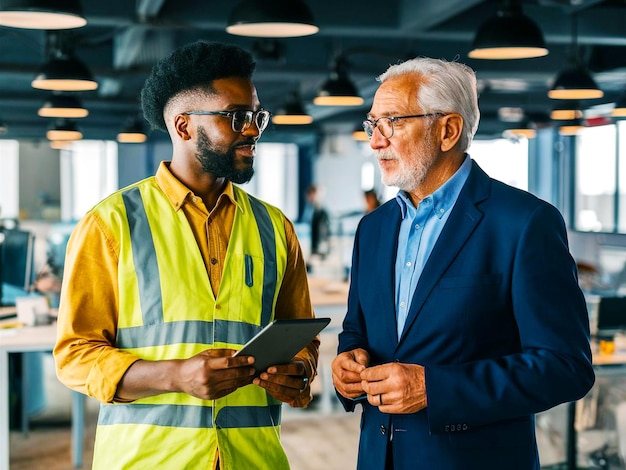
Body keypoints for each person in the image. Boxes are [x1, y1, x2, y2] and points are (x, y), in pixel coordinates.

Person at [53, 40, 319, 470]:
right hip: (149, 462)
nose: (253, 130)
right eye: (237, 117)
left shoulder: (275, 228)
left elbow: (302, 340)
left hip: (254, 460)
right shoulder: (110, 224)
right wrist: (175, 375)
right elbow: (75, 355)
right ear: (182, 126)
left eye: (257, 117)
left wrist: (300, 374)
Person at [331, 57, 595, 469]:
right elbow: (356, 329)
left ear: (448, 130)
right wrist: (349, 360)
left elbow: (565, 367)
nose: (375, 141)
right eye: (372, 124)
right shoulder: (374, 229)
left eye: (392, 122)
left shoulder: (524, 223)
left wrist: (434, 388)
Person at [301, 184, 331, 269]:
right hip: (309, 245)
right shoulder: (308, 210)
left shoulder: (321, 212)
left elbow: (323, 232)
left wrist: (320, 248)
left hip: (317, 247)